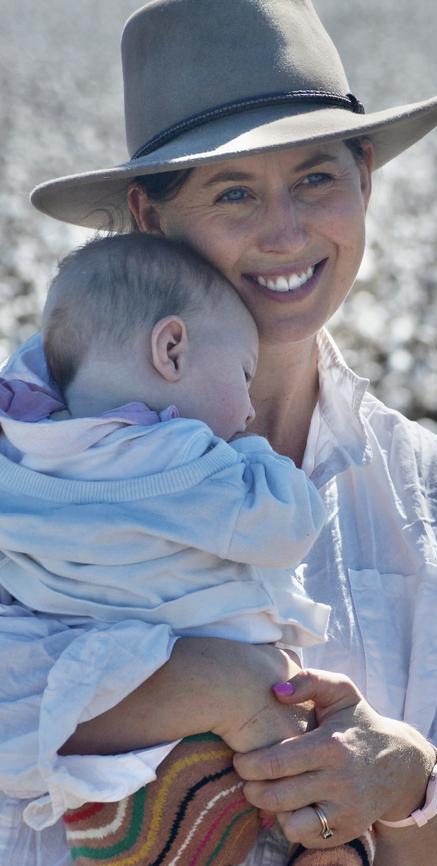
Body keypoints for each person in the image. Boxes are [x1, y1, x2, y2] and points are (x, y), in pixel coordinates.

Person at [0, 1, 437, 865]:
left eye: (317, 178)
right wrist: (212, 687)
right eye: (234, 191)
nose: (285, 233)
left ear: (367, 177)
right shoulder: (24, 453)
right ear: (148, 215)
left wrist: (411, 781)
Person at [0, 231, 379, 866]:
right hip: (210, 698)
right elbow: (286, 527)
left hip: (106, 701)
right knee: (307, 784)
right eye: (243, 376)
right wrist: (256, 457)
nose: (249, 412)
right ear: (171, 349)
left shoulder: (28, 457)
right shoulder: (186, 461)